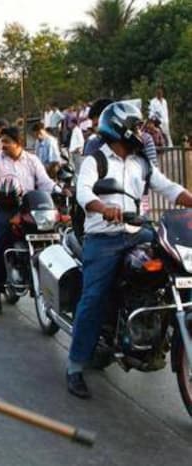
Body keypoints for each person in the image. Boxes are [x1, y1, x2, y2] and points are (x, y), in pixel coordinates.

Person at [66, 101, 192, 399]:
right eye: (134, 127)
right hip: (104, 238)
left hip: (137, 233)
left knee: (180, 267)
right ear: (119, 129)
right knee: (93, 298)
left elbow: (170, 188)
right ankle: (74, 366)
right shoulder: (95, 160)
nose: (140, 132)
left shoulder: (141, 163)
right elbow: (84, 192)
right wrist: (103, 207)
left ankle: (163, 328)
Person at [0, 127, 56, 317]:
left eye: (7, 141)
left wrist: (59, 189)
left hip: (30, 209)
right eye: (2, 141)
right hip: (6, 208)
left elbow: (45, 182)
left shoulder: (32, 160)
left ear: (19, 143)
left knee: (53, 239)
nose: (3, 145)